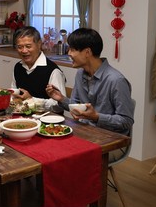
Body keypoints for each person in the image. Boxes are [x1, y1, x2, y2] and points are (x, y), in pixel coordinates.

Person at [45, 28, 134, 160]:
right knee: (48, 145)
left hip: (110, 141)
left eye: (72, 49)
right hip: (84, 132)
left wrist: (96, 117)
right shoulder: (80, 74)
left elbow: (126, 121)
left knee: (62, 155)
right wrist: (61, 99)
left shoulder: (116, 80)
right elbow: (77, 107)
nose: (69, 53)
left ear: (87, 52)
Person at [12, 26, 66, 109]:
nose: (24, 51)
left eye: (28, 46)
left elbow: (59, 104)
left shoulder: (53, 71)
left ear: (39, 44)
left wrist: (31, 100)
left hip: (48, 119)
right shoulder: (18, 67)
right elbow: (14, 93)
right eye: (20, 47)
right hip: (23, 115)